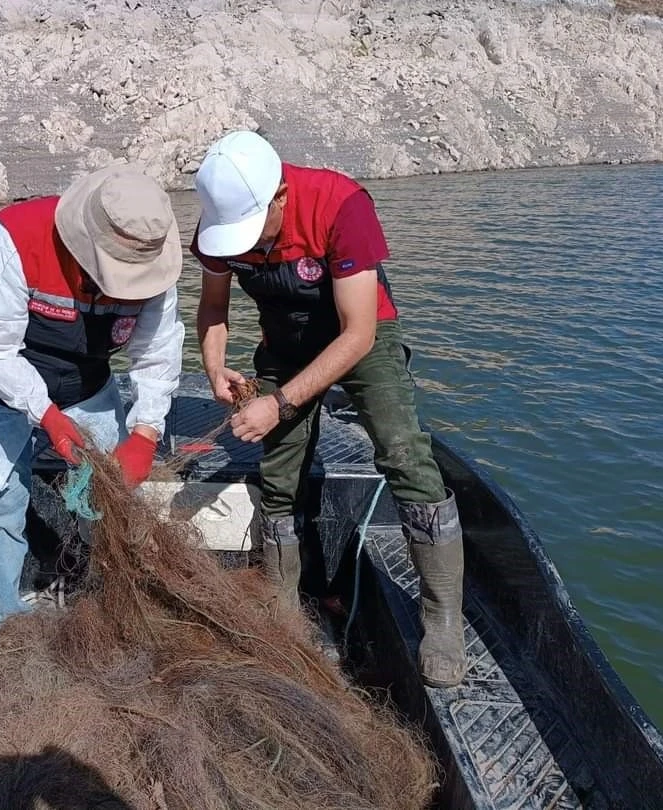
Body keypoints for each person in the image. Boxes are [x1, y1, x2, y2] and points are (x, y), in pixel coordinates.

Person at [190, 130, 466, 688]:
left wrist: (280, 402)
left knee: (403, 453)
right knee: (278, 474)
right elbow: (213, 309)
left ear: (282, 197)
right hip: (285, 343)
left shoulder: (342, 205)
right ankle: (283, 609)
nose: (249, 247)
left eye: (256, 231)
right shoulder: (218, 230)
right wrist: (214, 367)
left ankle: (441, 616)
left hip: (360, 336)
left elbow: (359, 332)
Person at [0, 164, 185, 626]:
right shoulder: (14, 240)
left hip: (85, 376)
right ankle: (5, 613)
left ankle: (99, 589)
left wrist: (147, 432)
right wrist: (48, 417)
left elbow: (157, 354)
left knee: (112, 491)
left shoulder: (154, 262)